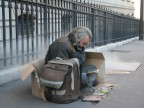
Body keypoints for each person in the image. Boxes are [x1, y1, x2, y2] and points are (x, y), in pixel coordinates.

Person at [44, 26, 98, 95]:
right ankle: (88, 85)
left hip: (76, 69)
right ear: (77, 38)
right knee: (84, 77)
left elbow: (80, 62)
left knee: (92, 68)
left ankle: (88, 85)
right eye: (84, 43)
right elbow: (59, 70)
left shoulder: (77, 43)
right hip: (64, 74)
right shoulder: (61, 45)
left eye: (86, 44)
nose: (85, 46)